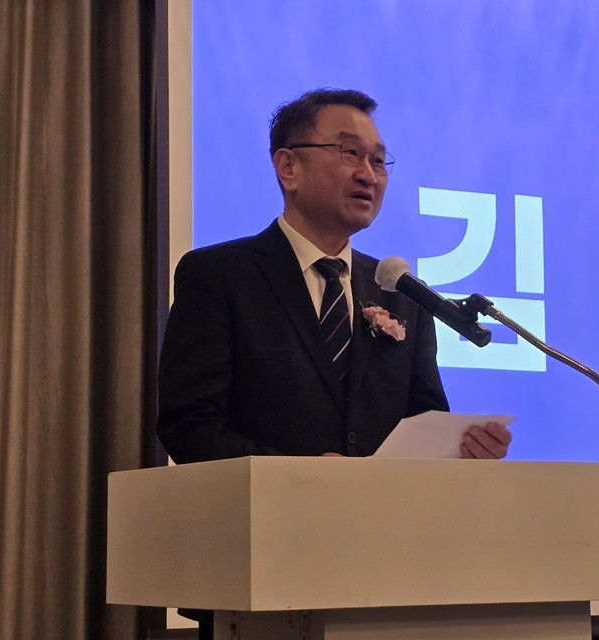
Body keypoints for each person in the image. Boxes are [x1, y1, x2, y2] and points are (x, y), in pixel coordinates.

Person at [156, 88, 512, 638]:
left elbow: (423, 419)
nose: (369, 172)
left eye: (378, 159)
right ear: (288, 166)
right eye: (349, 153)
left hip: (388, 579)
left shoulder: (400, 293)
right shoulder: (220, 276)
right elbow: (190, 423)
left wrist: (460, 451)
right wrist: (300, 476)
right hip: (260, 574)